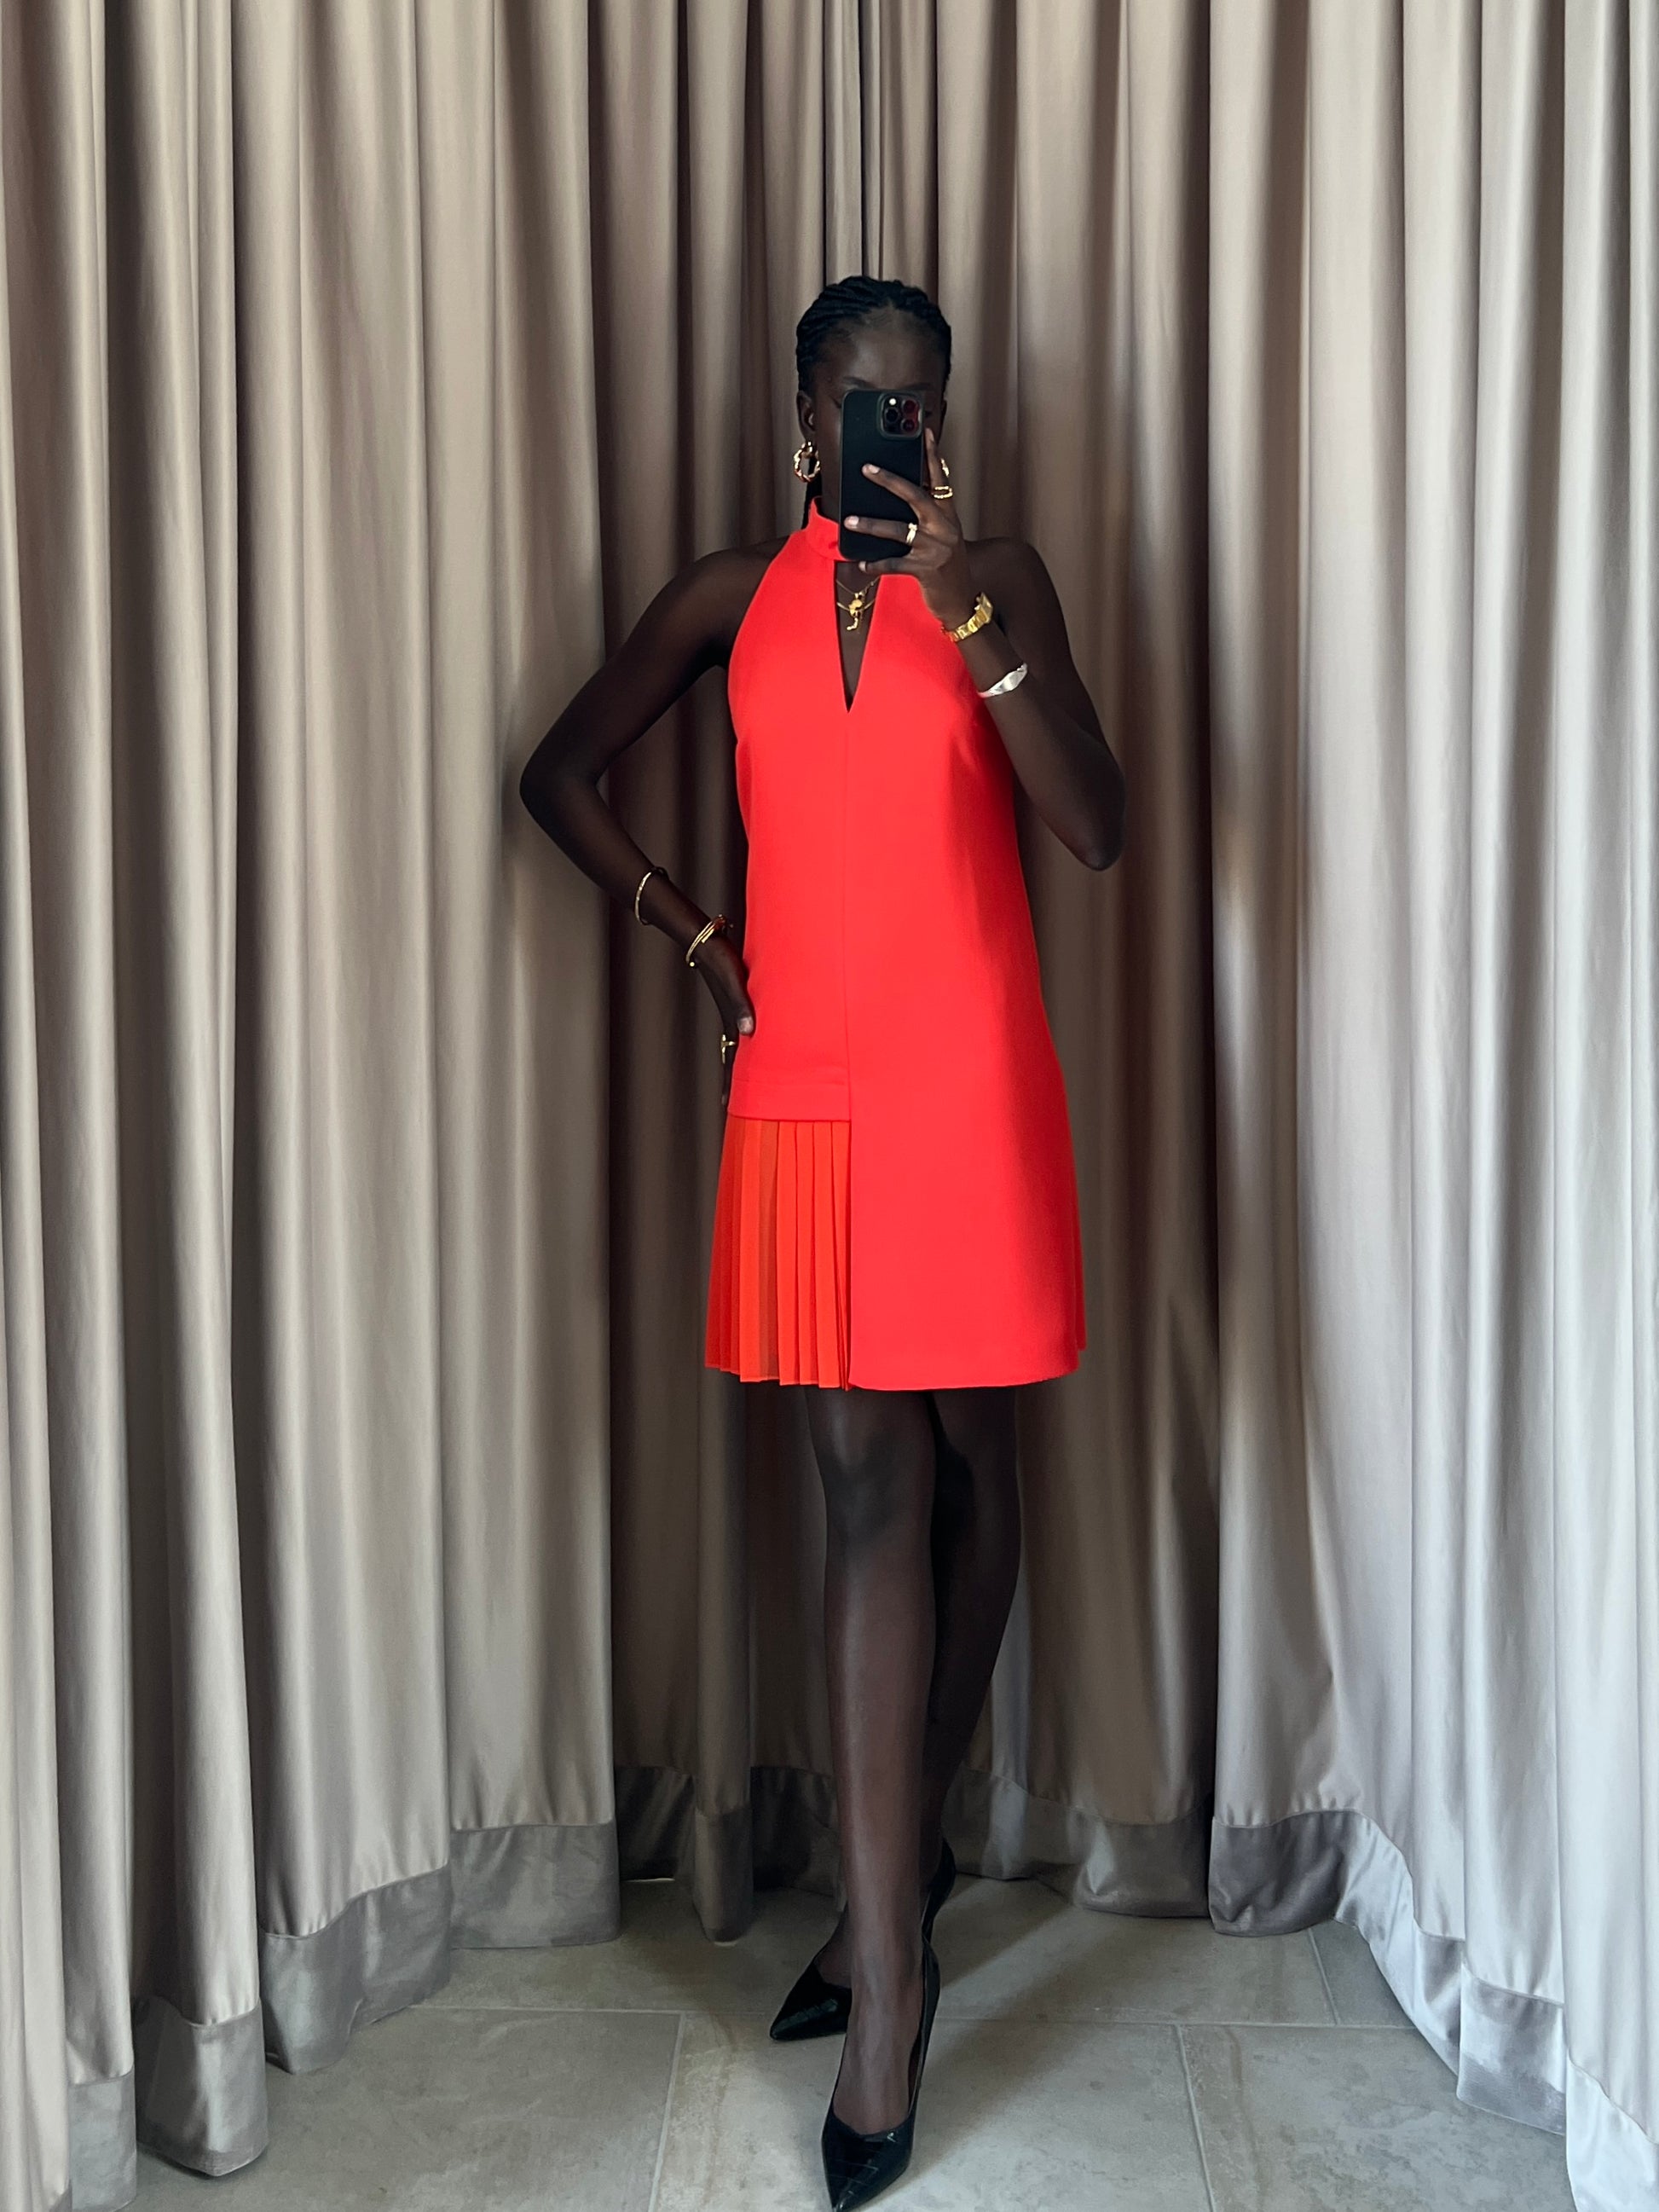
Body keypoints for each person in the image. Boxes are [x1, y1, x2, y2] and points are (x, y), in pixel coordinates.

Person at [519, 274, 1124, 2211]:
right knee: (866, 1497)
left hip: (970, 1083)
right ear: (804, 417)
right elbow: (556, 775)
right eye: (868, 401)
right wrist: (705, 945)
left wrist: (969, 613)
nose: (899, 431)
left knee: (975, 1471)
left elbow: (1095, 829)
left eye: (924, 401)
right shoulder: (727, 598)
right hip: (801, 1089)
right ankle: (888, 1985)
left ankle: (901, 1875)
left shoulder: (996, 578)